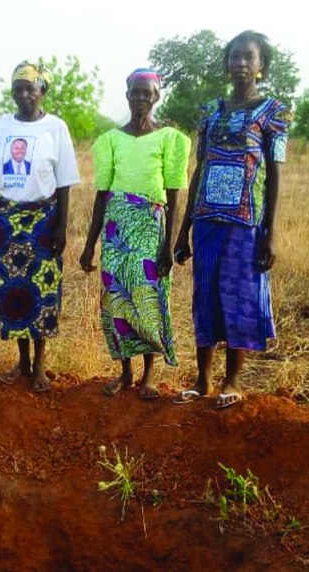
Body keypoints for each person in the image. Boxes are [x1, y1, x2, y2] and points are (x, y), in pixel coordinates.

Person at [173, 30, 289, 410]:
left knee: (239, 298)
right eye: (234, 57)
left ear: (261, 66)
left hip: (246, 224)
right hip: (207, 219)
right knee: (204, 296)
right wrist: (183, 229)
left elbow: (275, 175)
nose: (240, 63)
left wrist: (269, 233)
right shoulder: (209, 112)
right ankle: (203, 379)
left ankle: (233, 380)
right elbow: (199, 169)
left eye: (248, 57)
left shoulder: (274, 112)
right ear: (227, 64)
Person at [80, 68, 191, 400]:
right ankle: (125, 374)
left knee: (148, 299)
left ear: (156, 97)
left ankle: (149, 376)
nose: (141, 98)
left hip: (150, 228)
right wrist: (90, 244)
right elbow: (102, 194)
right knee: (116, 299)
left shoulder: (171, 139)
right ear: (127, 94)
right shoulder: (110, 141)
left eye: (148, 93)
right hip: (116, 228)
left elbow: (173, 196)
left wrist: (169, 245)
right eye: (135, 92)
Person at [0, 61, 80, 393]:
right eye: (18, 89)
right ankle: (21, 362)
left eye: (30, 89)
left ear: (42, 91)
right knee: (13, 293)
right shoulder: (2, 128)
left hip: (43, 221)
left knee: (44, 293)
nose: (23, 95)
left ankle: (39, 366)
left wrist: (61, 227)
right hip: (7, 221)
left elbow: (64, 183)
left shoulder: (56, 128)